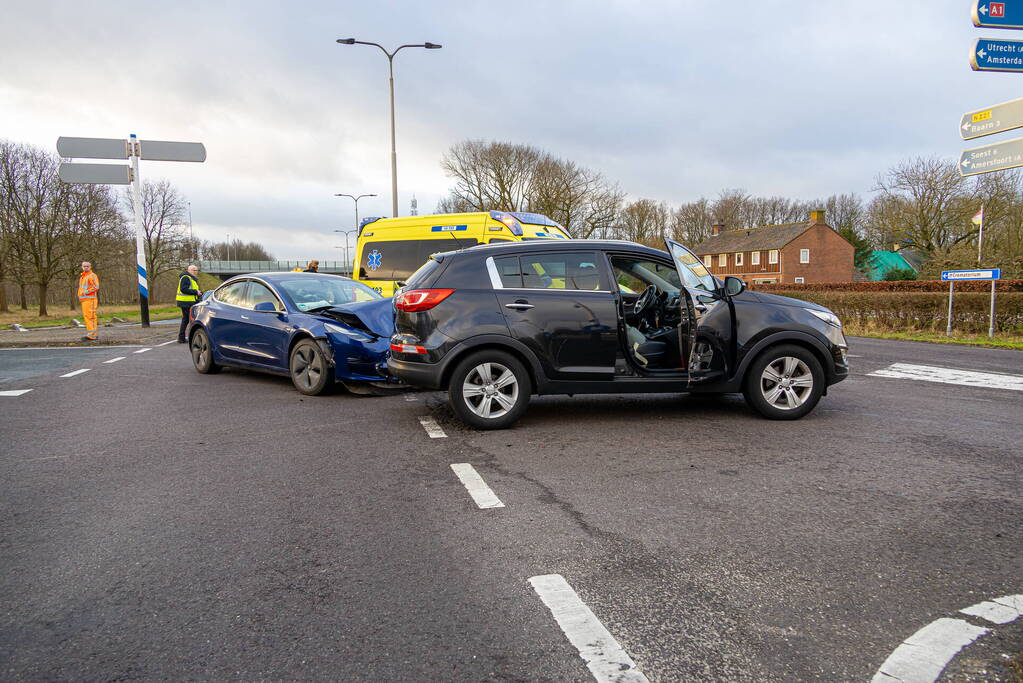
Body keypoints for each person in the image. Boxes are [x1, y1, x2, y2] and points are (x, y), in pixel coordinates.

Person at [176, 264, 202, 343]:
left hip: (188, 302)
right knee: (188, 320)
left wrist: (198, 293)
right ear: (188, 270)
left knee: (186, 320)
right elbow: (183, 289)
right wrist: (195, 292)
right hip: (186, 302)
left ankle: (182, 338)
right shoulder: (186, 278)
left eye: (196, 270)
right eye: (193, 270)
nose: (195, 272)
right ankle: (185, 338)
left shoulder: (191, 278)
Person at [77, 261, 100, 341]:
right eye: (84, 266)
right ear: (82, 267)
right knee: (87, 317)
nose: (85, 267)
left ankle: (92, 335)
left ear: (90, 267)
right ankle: (91, 334)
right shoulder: (82, 276)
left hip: (91, 300)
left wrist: (86, 292)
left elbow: (96, 287)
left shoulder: (92, 275)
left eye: (87, 266)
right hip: (84, 300)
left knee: (91, 317)